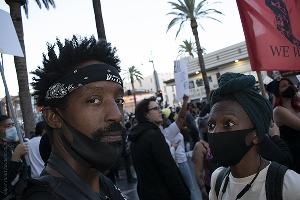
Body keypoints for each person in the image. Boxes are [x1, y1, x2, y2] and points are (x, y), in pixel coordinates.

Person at [23, 35, 126, 199]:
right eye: (94, 100)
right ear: (53, 117)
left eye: (118, 100)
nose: (117, 115)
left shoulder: (104, 185)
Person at [208, 72, 300, 200]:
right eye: (211, 125)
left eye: (228, 123)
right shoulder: (217, 179)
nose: (215, 132)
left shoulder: (289, 186)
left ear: (256, 134)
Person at [129, 96, 190, 200]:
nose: (160, 111)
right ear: (145, 114)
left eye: (159, 107)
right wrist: (183, 195)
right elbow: (168, 169)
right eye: (155, 109)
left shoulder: (136, 137)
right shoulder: (154, 135)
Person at [273, 77, 300, 173]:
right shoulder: (278, 110)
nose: (289, 87)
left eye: (289, 84)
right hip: (295, 154)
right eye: (284, 86)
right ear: (278, 92)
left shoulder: (296, 106)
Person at [0, 115, 28, 199]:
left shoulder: (12, 145)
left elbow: (25, 169)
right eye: (8, 126)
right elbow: (4, 182)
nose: (12, 128)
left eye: (13, 125)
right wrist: (15, 158)